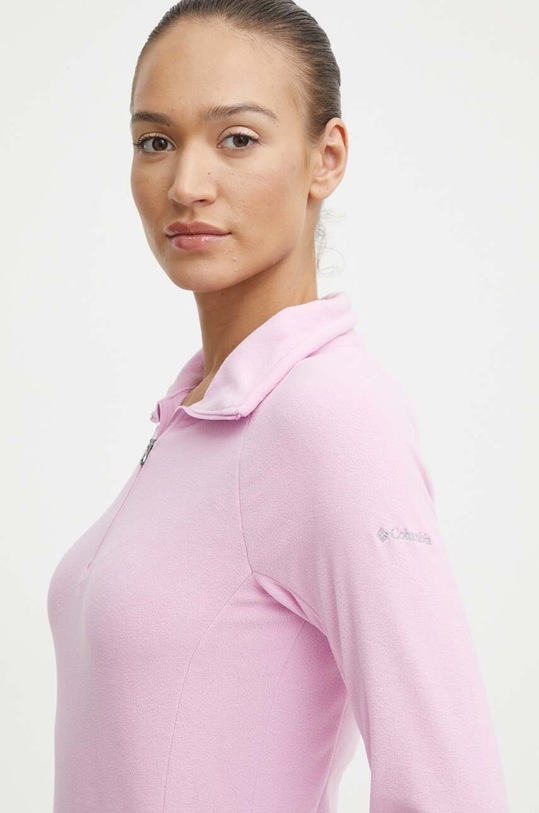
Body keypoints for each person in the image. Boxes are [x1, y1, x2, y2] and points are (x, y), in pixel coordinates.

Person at [47, 1, 510, 811]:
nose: (186, 185)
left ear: (325, 158)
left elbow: (449, 787)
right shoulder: (197, 415)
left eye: (236, 139)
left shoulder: (330, 417)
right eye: (155, 141)